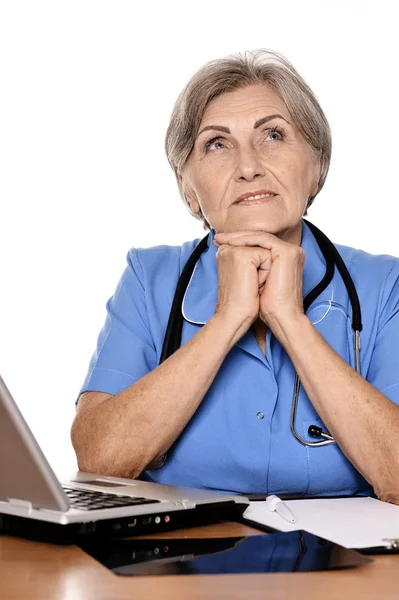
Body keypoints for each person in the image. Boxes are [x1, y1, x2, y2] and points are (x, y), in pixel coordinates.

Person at [71, 49, 399, 504]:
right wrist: (229, 319)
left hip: (345, 565)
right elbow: (100, 461)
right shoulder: (149, 278)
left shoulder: (385, 286)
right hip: (181, 562)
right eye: (217, 144)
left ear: (317, 167)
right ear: (188, 189)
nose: (248, 166)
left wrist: (289, 319)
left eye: (273, 135)